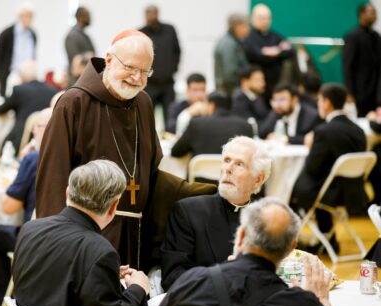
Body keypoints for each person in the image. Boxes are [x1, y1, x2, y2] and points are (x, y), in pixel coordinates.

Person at [35, 30, 162, 267]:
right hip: (85, 239)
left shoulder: (143, 103)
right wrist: (56, 244)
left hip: (137, 233)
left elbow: (151, 166)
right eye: (131, 68)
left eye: (145, 72)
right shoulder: (74, 103)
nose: (136, 78)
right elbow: (53, 176)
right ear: (109, 59)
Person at [13, 160, 149, 306]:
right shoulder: (100, 252)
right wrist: (138, 289)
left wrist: (104, 275)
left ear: (67, 193)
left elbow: (47, 282)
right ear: (113, 207)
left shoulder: (30, 228)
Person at [156, 197, 333, 306]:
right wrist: (321, 300)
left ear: (240, 236)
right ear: (290, 248)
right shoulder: (300, 305)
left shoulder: (191, 283)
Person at [160, 136, 271, 290]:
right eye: (226, 160)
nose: (227, 169)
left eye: (239, 164)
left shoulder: (266, 220)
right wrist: (224, 275)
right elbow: (173, 277)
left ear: (258, 180)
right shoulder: (188, 211)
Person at [0, 108, 52, 306]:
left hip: (36, 239)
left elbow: (9, 207)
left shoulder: (34, 158)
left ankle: (4, 299)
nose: (32, 133)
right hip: (70, 238)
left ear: (44, 130)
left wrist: (23, 164)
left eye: (36, 128)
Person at [290, 83, 367, 251]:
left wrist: (311, 146)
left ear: (326, 102)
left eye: (319, 101)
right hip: (354, 193)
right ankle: (328, 239)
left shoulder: (324, 131)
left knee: (296, 187)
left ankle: (294, 240)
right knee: (319, 183)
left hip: (331, 194)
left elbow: (312, 167)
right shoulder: (358, 130)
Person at [0, 61, 58, 154]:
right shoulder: (52, 91)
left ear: (21, 77)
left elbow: (2, 109)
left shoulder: (19, 90)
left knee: (4, 145)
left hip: (20, 140)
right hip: (45, 140)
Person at [171, 92, 253, 157]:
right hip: (233, 177)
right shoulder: (246, 126)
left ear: (211, 105)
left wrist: (187, 113)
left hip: (201, 177)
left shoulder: (197, 124)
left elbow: (176, 152)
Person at [139, 5, 181, 125]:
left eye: (153, 13)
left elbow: (177, 51)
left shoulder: (170, 30)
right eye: (148, 13)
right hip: (149, 84)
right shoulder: (141, 33)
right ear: (145, 15)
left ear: (158, 14)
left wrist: (173, 69)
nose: (151, 16)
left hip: (167, 83)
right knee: (146, 118)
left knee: (170, 118)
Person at [244, 4, 293, 102]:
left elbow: (289, 50)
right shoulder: (249, 36)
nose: (265, 21)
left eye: (267, 18)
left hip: (276, 83)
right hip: (258, 86)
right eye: (261, 18)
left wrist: (275, 52)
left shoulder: (275, 35)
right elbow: (258, 56)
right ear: (253, 18)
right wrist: (277, 52)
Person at [343, 3, 381, 117]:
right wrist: (349, 92)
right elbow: (347, 65)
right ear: (361, 14)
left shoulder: (376, 36)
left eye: (375, 13)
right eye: (371, 13)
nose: (374, 16)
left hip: (375, 91)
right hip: (360, 91)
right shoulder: (352, 36)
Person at [0, 2, 36, 97]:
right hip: (10, 74)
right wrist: (0, 76)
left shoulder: (32, 35)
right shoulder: (7, 34)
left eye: (31, 16)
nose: (29, 19)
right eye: (26, 15)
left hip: (27, 77)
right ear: (20, 16)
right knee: (8, 99)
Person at [214, 13, 250, 96]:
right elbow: (229, 74)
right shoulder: (229, 45)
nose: (248, 29)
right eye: (245, 26)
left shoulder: (234, 41)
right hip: (229, 92)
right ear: (236, 27)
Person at [65, 7, 95, 84]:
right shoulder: (72, 36)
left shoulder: (84, 35)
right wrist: (88, 56)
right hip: (77, 81)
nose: (90, 18)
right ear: (80, 17)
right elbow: (76, 61)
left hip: (86, 78)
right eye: (87, 15)